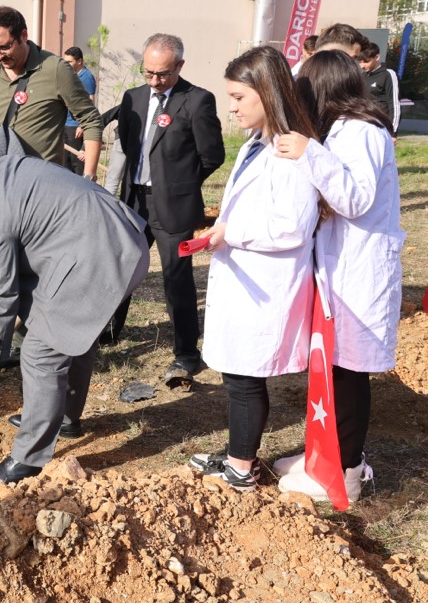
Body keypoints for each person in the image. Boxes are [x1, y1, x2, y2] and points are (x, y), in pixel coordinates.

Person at [0, 157, 148, 481]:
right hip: (120, 238)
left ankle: (27, 460)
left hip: (99, 255)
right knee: (70, 333)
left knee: (40, 353)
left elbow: (3, 294)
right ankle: (63, 419)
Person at [269, 49, 404, 503]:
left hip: (360, 272)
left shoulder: (363, 131)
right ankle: (321, 455)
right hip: (339, 268)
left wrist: (310, 153)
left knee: (347, 372)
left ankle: (345, 470)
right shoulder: (342, 131)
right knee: (330, 365)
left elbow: (355, 199)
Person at [189, 45, 322, 492]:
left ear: (268, 92)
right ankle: (236, 455)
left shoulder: (289, 151)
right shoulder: (257, 143)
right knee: (237, 374)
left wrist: (232, 232)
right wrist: (222, 231)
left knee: (245, 379)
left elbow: (292, 227)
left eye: (239, 97)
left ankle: (241, 469)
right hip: (245, 278)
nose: (232, 108)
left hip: (266, 286)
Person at [107, 33, 226, 388]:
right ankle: (108, 332)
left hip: (172, 205)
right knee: (119, 268)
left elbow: (213, 155)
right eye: (148, 72)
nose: (155, 80)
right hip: (135, 202)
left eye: (163, 73)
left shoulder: (197, 100)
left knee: (176, 279)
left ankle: (186, 352)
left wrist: (180, 184)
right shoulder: (133, 98)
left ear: (180, 66)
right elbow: (128, 145)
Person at [0, 5, 102, 173]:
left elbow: (91, 120)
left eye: (4, 47)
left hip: (40, 181)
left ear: (23, 36)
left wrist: (89, 175)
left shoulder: (55, 69)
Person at [61, 46, 97, 176]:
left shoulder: (86, 77)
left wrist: (82, 125)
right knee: (65, 161)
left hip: (75, 126)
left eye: (69, 61)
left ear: (79, 61)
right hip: (66, 123)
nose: (66, 64)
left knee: (76, 161)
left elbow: (90, 101)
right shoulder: (71, 75)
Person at [358, 43, 400, 136]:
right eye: (360, 62)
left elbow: (394, 104)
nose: (362, 66)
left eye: (366, 62)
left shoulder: (388, 74)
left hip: (382, 128)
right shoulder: (362, 76)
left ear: (377, 57)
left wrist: (393, 133)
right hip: (364, 127)